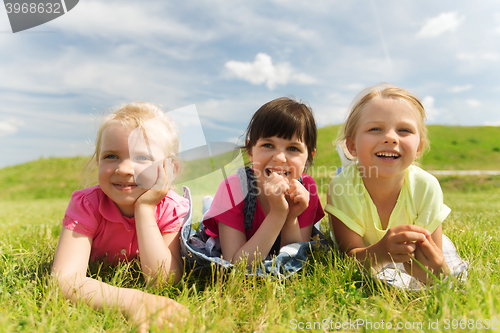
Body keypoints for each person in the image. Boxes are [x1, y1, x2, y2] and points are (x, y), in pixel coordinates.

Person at [52, 102, 189, 331]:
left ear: (170, 169)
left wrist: (145, 210)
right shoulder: (86, 204)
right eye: (111, 156)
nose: (124, 169)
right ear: (98, 160)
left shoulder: (172, 208)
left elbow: (163, 282)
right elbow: (64, 281)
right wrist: (133, 302)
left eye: (142, 157)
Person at [326, 83, 456, 285]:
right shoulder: (342, 187)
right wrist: (380, 252)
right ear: (351, 146)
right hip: (368, 256)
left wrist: (435, 272)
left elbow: (432, 259)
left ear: (419, 147)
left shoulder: (427, 187)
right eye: (375, 129)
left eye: (404, 130)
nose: (390, 138)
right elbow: (348, 259)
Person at [202, 97, 325, 266]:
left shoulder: (306, 188)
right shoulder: (233, 189)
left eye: (293, 148)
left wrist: (291, 218)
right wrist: (277, 214)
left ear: (309, 156)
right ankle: (208, 205)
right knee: (208, 212)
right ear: (250, 150)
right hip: (229, 214)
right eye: (268, 145)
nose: (280, 158)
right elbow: (237, 265)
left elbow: (294, 263)